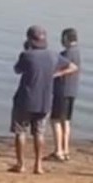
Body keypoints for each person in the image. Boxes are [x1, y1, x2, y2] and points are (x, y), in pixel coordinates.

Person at [11, 26, 78, 174]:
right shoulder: (53, 55)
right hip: (45, 100)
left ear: (30, 39)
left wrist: (26, 50)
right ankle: (38, 165)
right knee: (39, 133)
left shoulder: (27, 55)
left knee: (20, 132)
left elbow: (17, 70)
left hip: (25, 99)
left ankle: (21, 164)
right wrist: (55, 73)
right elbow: (73, 67)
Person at [50, 28, 81, 162]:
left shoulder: (65, 54)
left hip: (62, 91)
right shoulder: (78, 52)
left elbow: (69, 67)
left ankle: (58, 151)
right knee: (66, 121)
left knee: (55, 120)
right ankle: (65, 150)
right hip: (72, 91)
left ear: (66, 39)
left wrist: (55, 74)